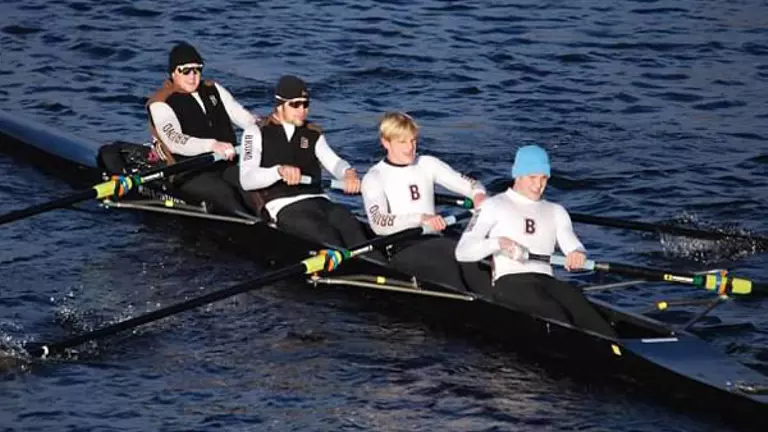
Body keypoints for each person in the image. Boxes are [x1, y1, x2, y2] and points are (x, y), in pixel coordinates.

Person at [455, 145, 617, 338]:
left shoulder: (556, 211)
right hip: (511, 282)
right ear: (518, 175)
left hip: (547, 281)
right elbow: (463, 251)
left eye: (543, 178)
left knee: (591, 318)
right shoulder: (493, 205)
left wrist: (577, 254)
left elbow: (571, 243)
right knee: (557, 317)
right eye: (532, 177)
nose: (538, 185)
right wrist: (498, 243)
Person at [360, 111, 491, 292]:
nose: (410, 148)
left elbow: (471, 183)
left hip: (435, 238)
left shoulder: (427, 163)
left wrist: (478, 195)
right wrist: (420, 218)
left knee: (478, 267)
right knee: (449, 271)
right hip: (403, 246)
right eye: (402, 142)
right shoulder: (374, 177)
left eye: (413, 140)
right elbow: (379, 223)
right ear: (385, 143)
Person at [239, 75, 371, 249]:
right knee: (326, 236)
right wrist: (278, 171)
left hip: (320, 200)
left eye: (305, 104)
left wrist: (348, 172)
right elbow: (246, 179)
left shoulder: (313, 133)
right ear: (280, 105)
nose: (302, 110)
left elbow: (334, 162)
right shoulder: (254, 132)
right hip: (283, 205)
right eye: (295, 104)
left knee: (351, 226)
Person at [146, 42, 259, 215]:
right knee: (224, 194)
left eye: (196, 70)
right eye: (185, 71)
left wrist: (264, 129)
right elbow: (175, 140)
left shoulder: (214, 89)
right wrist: (212, 145)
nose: (192, 76)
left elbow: (242, 116)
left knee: (254, 188)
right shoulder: (161, 103)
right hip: (188, 171)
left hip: (226, 163)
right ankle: (248, 225)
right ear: (173, 73)